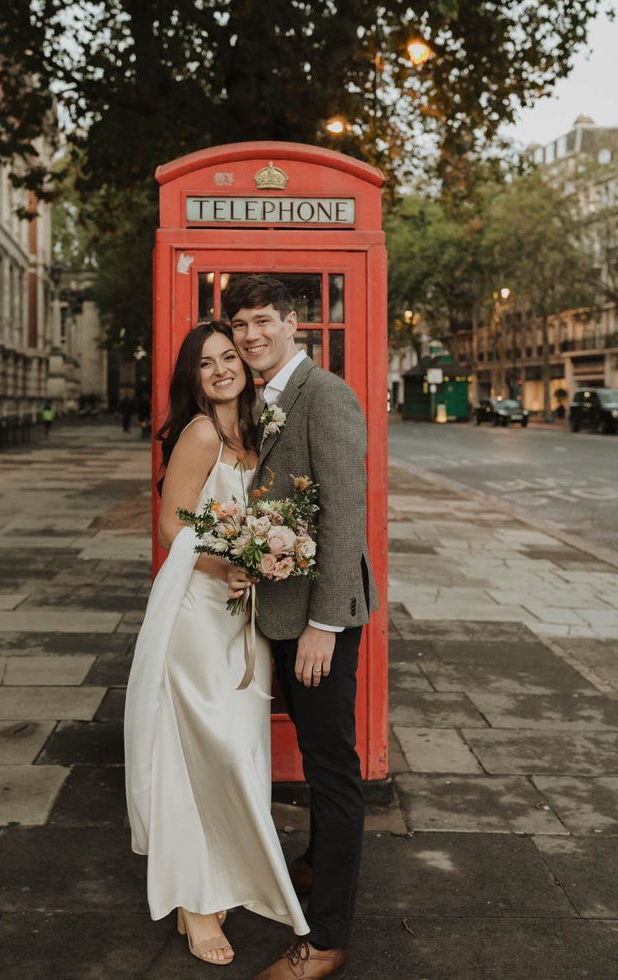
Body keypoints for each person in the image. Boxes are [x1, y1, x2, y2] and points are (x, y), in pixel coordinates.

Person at [124, 320, 308, 968]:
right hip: (199, 614)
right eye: (206, 364)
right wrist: (225, 559)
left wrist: (277, 550)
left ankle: (211, 878)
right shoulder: (202, 432)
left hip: (243, 617)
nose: (221, 370)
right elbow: (170, 520)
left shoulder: (260, 431)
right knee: (205, 749)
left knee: (241, 752)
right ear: (193, 379)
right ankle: (195, 901)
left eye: (229, 357)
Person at [222, 274, 377, 980]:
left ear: (293, 323)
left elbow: (346, 517)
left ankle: (329, 938)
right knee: (318, 759)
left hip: (318, 619)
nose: (250, 335)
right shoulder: (265, 398)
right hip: (279, 611)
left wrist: (324, 625)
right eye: (239, 324)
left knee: (333, 770)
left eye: (262, 321)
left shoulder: (327, 395)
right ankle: (315, 864)